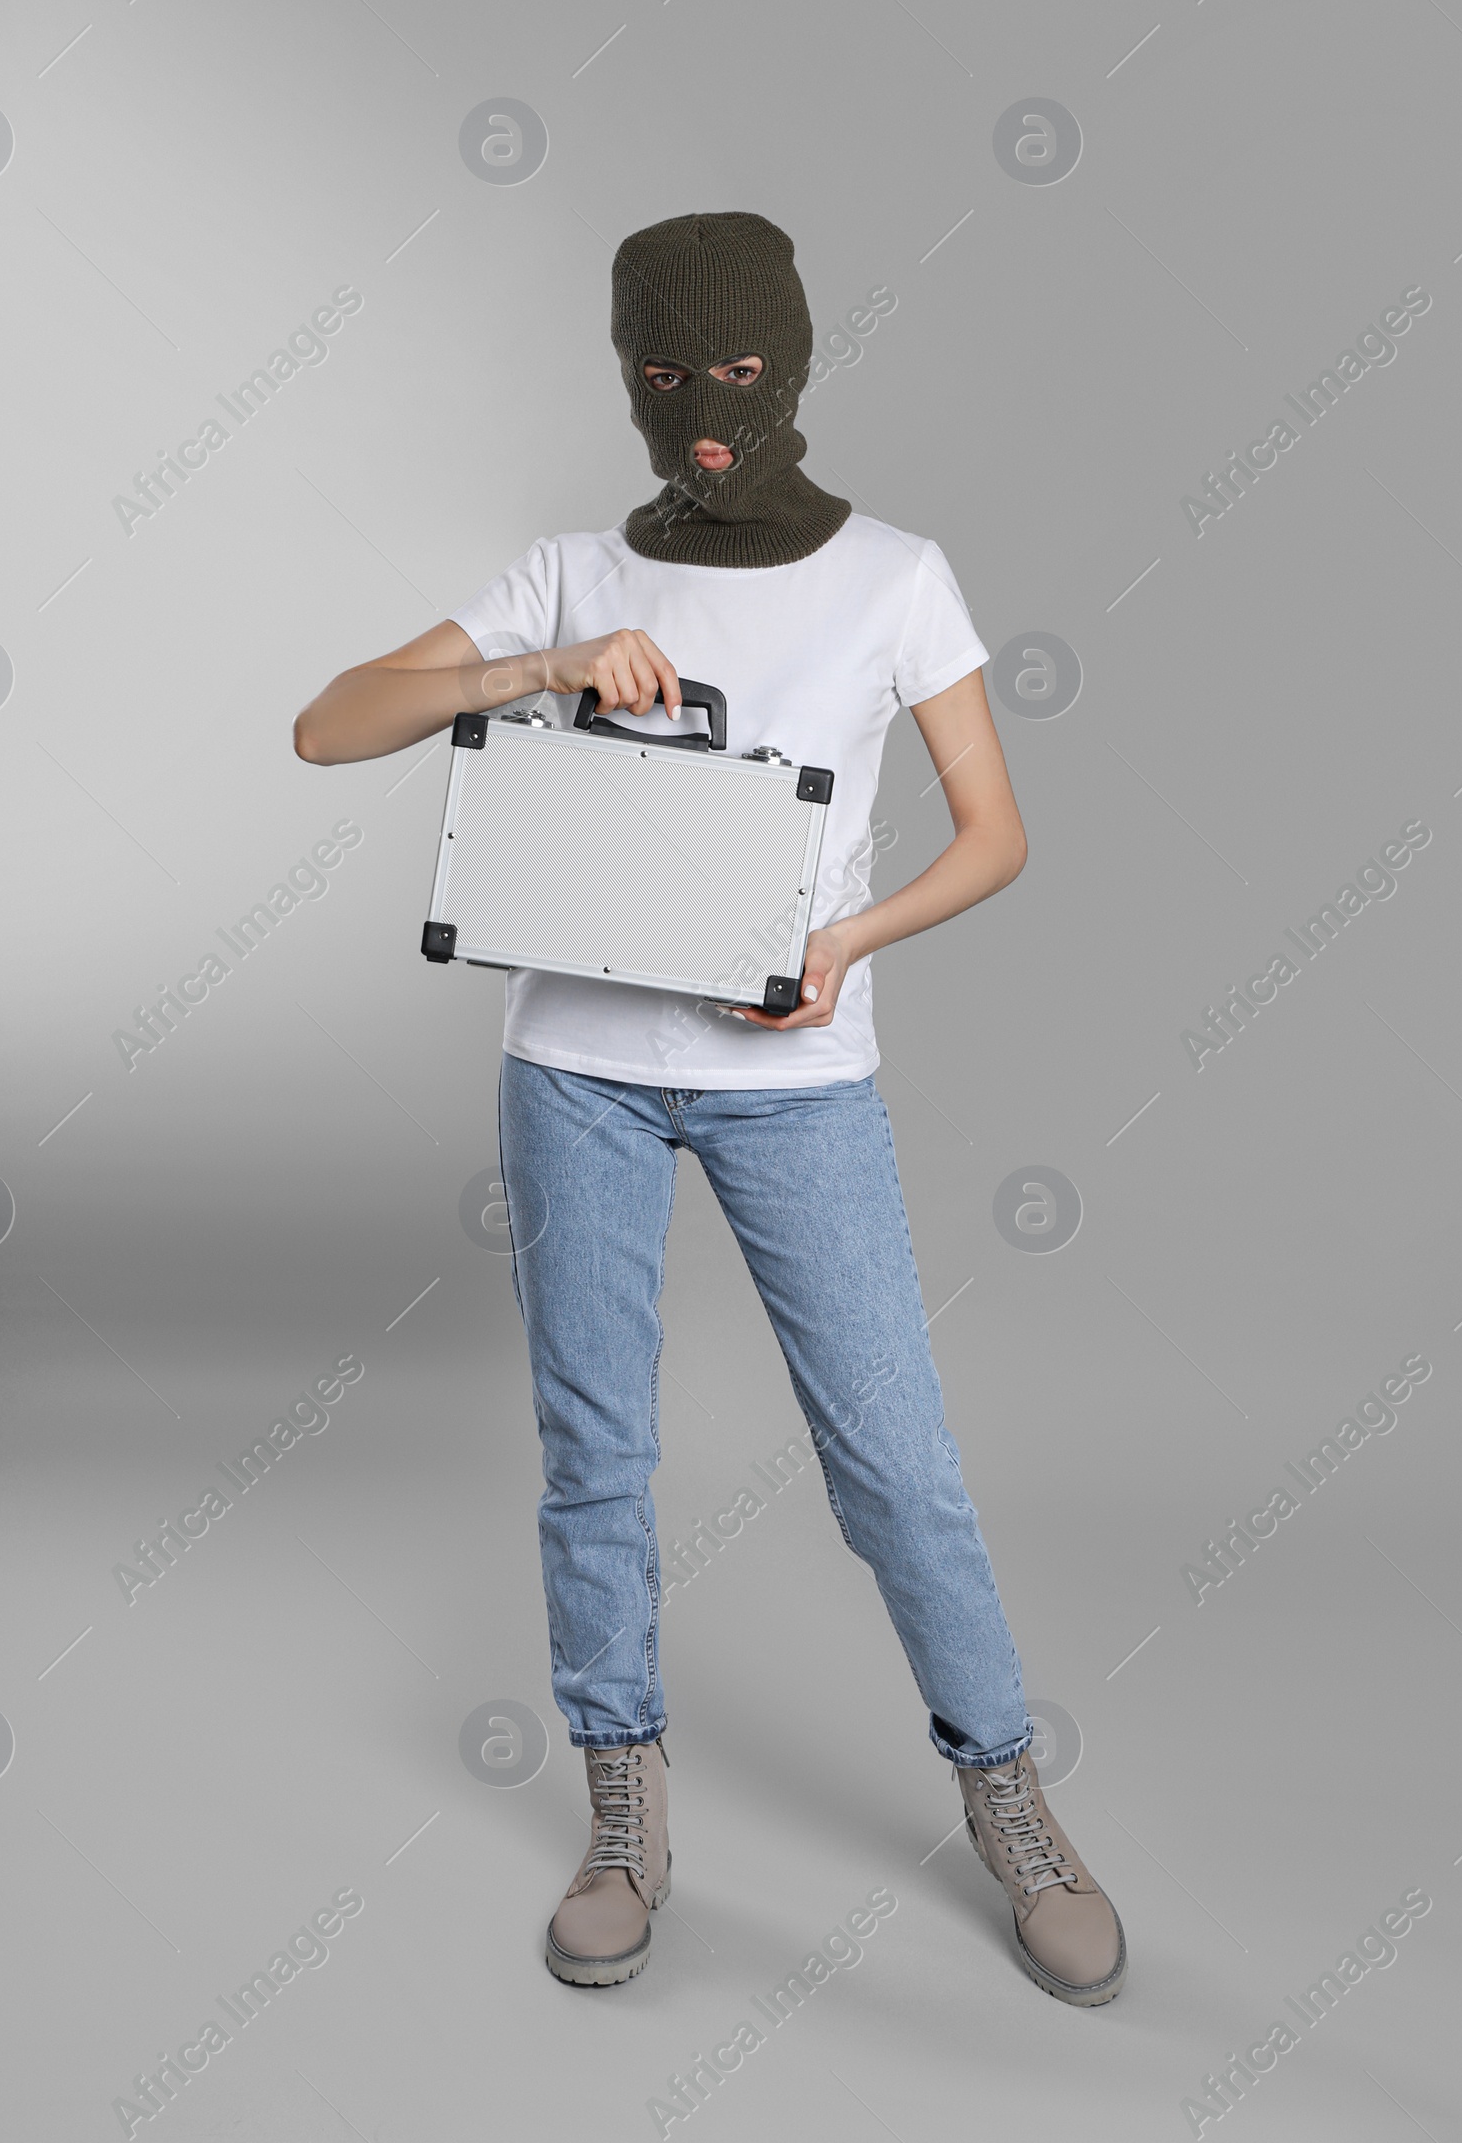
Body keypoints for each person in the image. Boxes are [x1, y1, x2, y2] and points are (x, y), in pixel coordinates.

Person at [293, 211, 1126, 2006]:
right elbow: (330, 725)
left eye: (737, 373)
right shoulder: (573, 568)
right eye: (663, 378)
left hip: (793, 1080)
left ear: (796, 359)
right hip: (574, 1070)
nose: (705, 413)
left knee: (893, 1460)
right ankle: (622, 1807)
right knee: (596, 1453)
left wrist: (852, 938)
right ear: (626, 376)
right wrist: (534, 671)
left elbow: (1001, 835)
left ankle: (1007, 1794)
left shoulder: (899, 575)